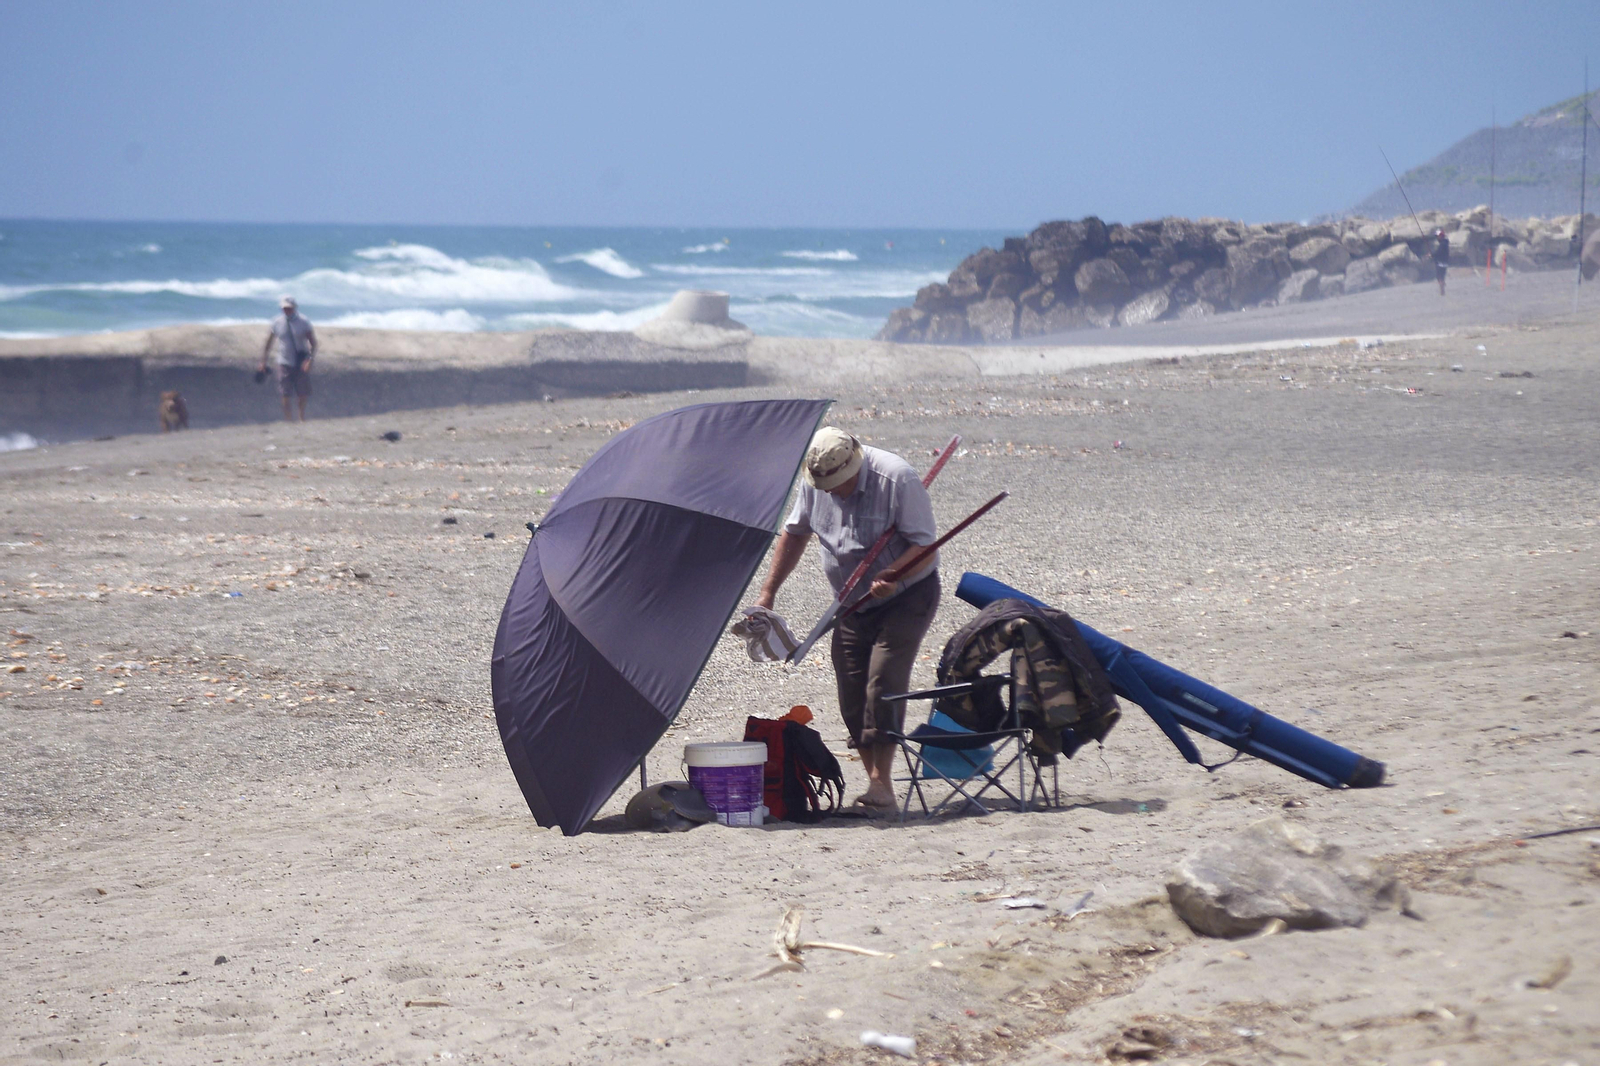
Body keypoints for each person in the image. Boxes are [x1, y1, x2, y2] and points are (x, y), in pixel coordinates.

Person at [755, 428, 941, 810]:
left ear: (855, 465)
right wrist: (768, 593)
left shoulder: (896, 478)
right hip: (851, 600)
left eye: (839, 484)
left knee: (883, 682)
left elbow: (925, 547)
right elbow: (795, 534)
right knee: (851, 690)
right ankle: (876, 783)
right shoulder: (816, 481)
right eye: (825, 487)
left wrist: (894, 576)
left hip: (907, 595)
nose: (832, 492)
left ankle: (881, 784)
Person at [260, 295, 317, 422]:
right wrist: (263, 361)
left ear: (294, 308)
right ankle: (288, 419)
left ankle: (301, 417)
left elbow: (313, 343)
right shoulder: (277, 322)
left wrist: (309, 360)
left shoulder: (303, 321)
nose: (286, 310)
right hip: (284, 361)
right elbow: (269, 342)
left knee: (302, 392)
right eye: (284, 308)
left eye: (289, 308)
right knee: (285, 392)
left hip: (300, 360)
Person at [1433, 230, 1451, 296]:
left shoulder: (1442, 244)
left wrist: (1432, 255)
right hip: (1444, 263)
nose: (1437, 238)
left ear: (1441, 236)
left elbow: (1439, 253)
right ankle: (1442, 290)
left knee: (1439, 277)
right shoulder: (1445, 243)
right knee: (1441, 277)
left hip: (1441, 263)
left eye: (1437, 236)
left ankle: (1442, 291)